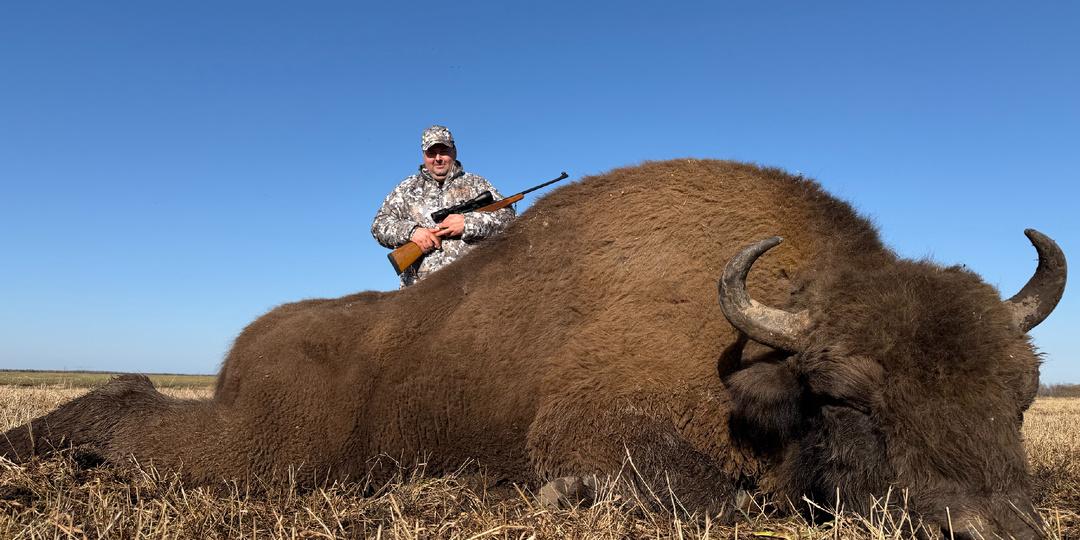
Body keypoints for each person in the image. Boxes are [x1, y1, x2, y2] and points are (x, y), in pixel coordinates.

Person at [372, 126, 515, 288]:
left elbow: (509, 219)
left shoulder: (477, 184)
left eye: (443, 151)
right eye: (431, 153)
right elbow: (379, 226)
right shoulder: (406, 189)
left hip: (472, 288)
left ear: (454, 151)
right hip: (418, 294)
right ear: (424, 155)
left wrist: (468, 223)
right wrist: (412, 232)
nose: (438, 158)